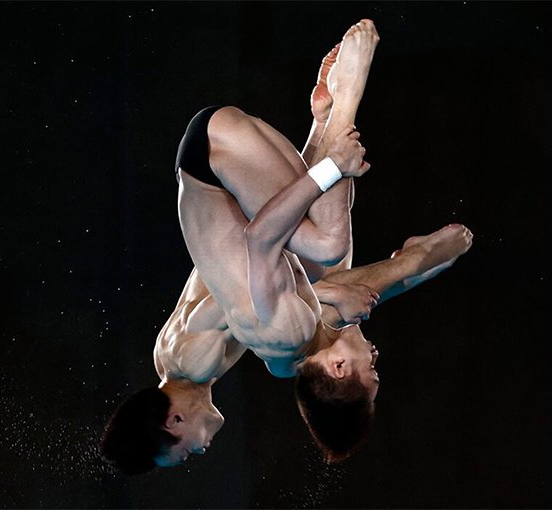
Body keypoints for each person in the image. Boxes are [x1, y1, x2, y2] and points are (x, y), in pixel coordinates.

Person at [101, 20, 473, 473]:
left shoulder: (195, 362)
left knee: (326, 248)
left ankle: (346, 103)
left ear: (173, 421)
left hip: (214, 160)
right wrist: (315, 140)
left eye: (183, 453)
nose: (198, 453)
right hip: (215, 161)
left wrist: (335, 173)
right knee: (313, 265)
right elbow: (261, 260)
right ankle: (325, 117)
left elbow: (258, 250)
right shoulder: (172, 357)